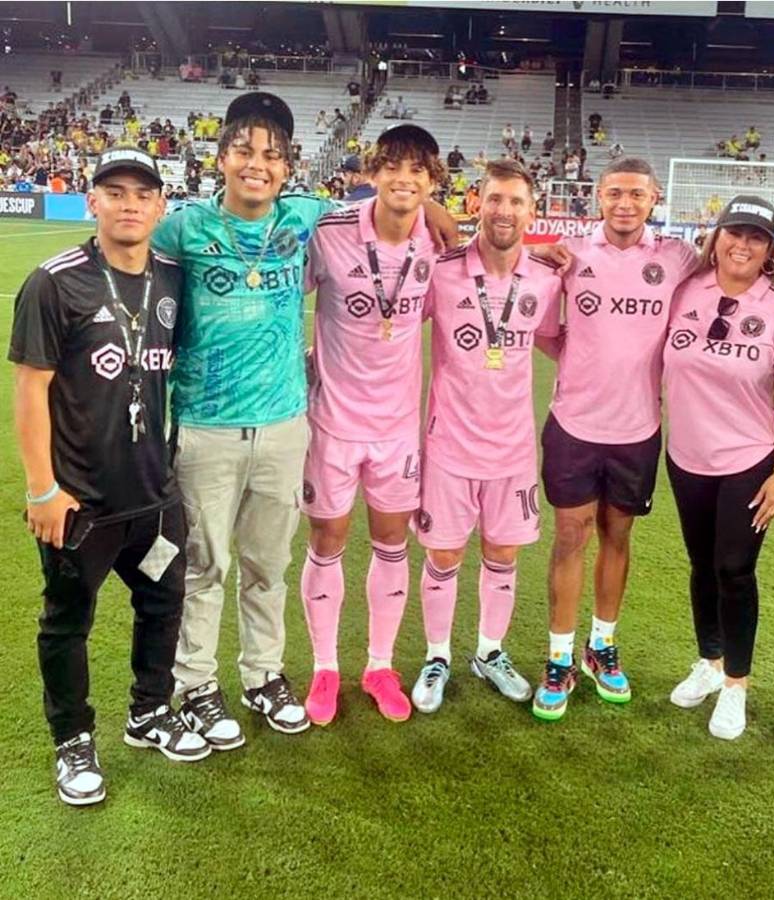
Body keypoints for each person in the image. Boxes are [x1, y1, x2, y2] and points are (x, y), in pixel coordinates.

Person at [153, 93, 456, 750]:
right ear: (221, 157)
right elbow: (126, 252)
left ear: (287, 167)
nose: (257, 164)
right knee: (209, 565)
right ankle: (210, 684)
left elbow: (419, 220)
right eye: (244, 151)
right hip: (222, 422)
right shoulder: (194, 227)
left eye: (271, 155)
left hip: (297, 426)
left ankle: (278, 675)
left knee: (270, 563)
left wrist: (432, 208)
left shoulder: (310, 219)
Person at [10, 147, 210, 807]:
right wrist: (43, 489)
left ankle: (149, 712)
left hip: (153, 494)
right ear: (92, 200)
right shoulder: (54, 282)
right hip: (80, 503)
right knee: (67, 621)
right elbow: (30, 390)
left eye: (142, 194)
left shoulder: (173, 278)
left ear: (160, 206)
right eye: (115, 192)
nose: (129, 205)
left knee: (162, 604)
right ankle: (72, 740)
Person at [531, 157, 698, 721]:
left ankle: (601, 645)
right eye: (615, 194)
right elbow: (544, 328)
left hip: (638, 429)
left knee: (617, 535)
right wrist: (580, 359)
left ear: (654, 199)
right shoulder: (570, 253)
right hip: (574, 424)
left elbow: (736, 267)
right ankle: (559, 656)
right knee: (569, 536)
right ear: (598, 197)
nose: (625, 204)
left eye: (636, 195)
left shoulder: (677, 257)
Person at [299, 125, 444, 725]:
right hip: (332, 422)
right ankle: (325, 668)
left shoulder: (439, 244)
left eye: (417, 171)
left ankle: (379, 666)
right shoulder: (329, 234)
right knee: (327, 542)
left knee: (391, 542)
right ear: (373, 173)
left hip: (397, 429)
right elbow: (284, 295)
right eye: (393, 167)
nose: (403, 179)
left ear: (432, 182)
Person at [410, 159, 563, 714]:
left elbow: (558, 341)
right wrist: (426, 204)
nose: (504, 210)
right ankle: (437, 656)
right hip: (449, 444)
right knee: (444, 553)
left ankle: (490, 651)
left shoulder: (546, 277)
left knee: (502, 552)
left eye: (516, 201)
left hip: (513, 448)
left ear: (531, 211)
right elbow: (397, 324)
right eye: (495, 198)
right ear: (477, 203)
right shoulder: (442, 269)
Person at [662, 195, 774, 740]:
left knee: (734, 569)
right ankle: (709, 661)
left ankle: (736, 684)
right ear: (717, 236)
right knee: (701, 564)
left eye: (756, 237)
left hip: (749, 458)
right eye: (735, 233)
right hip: (686, 456)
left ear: (770, 248)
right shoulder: (685, 290)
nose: (742, 245)